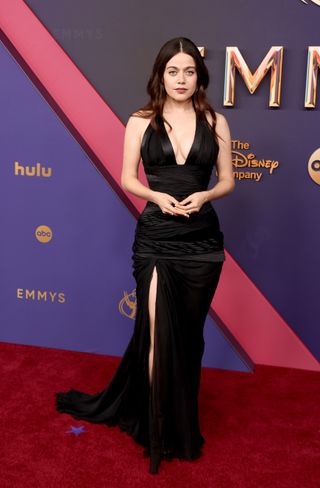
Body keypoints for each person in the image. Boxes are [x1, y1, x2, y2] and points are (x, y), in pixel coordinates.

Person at [55, 36, 234, 475]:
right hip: (155, 239)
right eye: (173, 71)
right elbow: (127, 178)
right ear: (160, 74)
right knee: (156, 334)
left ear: (199, 76)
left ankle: (180, 422)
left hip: (202, 243)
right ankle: (158, 433)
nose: (181, 79)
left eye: (189, 71)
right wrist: (157, 195)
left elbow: (228, 180)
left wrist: (206, 194)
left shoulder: (216, 121)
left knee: (188, 339)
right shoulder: (141, 120)